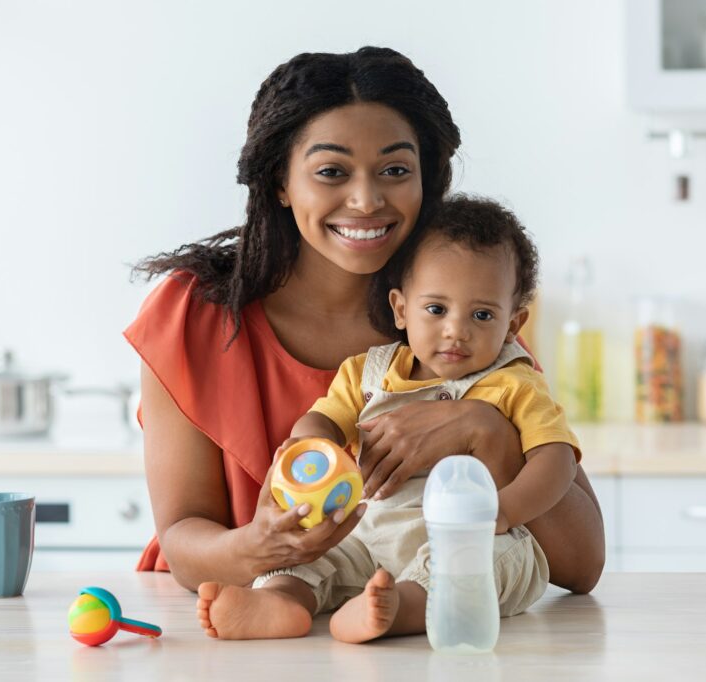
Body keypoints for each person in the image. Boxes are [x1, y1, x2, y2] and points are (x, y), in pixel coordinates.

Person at [125, 47, 604, 605]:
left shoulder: (460, 322)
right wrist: (261, 547)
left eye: (395, 170)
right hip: (229, 625)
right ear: (281, 181)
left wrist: (484, 432)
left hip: (403, 637)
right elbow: (183, 543)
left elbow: (581, 563)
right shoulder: (193, 315)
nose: (366, 199)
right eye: (331, 171)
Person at [194, 195, 579, 642]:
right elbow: (319, 422)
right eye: (436, 310)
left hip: (464, 536)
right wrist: (311, 450)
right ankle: (281, 600)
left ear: (513, 325)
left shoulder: (515, 384)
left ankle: (397, 610)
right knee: (309, 552)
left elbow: (557, 461)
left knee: (482, 564)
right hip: (368, 531)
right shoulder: (366, 372)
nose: (456, 329)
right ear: (401, 308)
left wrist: (504, 512)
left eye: (482, 314)